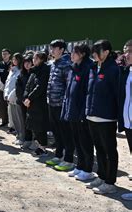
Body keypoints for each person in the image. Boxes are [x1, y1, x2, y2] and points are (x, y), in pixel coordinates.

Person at [85, 40, 120, 194]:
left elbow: (118, 95)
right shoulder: (94, 68)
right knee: (99, 149)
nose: (94, 55)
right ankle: (102, 175)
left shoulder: (114, 69)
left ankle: (110, 182)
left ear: (106, 52)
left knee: (109, 150)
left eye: (96, 51)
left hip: (107, 117)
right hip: (92, 116)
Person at [60, 43, 95, 181]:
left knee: (85, 141)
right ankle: (80, 166)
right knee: (77, 141)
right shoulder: (73, 68)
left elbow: (87, 93)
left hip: (81, 113)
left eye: (75, 52)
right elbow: (69, 92)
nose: (71, 55)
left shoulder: (88, 68)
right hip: (72, 110)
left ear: (83, 54)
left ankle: (88, 169)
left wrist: (82, 113)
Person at [45, 39, 75, 171]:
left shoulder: (66, 64)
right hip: (52, 103)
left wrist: (65, 103)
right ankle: (58, 155)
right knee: (56, 132)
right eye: (51, 48)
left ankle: (68, 160)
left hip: (61, 105)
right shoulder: (54, 63)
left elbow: (69, 86)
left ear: (61, 49)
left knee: (66, 133)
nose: (51, 51)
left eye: (54, 48)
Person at [23, 51, 50, 156]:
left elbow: (40, 87)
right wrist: (25, 97)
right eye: (33, 58)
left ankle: (43, 148)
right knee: (34, 126)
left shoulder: (44, 70)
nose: (34, 61)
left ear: (42, 59)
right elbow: (28, 85)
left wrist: (29, 98)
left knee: (40, 127)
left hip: (39, 103)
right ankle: (38, 145)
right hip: (31, 103)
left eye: (36, 59)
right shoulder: (33, 71)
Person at [118, 40, 132, 200]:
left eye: (129, 51)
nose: (125, 55)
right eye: (125, 51)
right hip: (128, 122)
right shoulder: (127, 71)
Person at [4, 53, 23, 144]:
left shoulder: (21, 71)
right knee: (13, 118)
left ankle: (21, 137)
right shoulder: (12, 70)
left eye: (16, 59)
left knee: (19, 119)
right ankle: (18, 135)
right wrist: (6, 93)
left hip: (16, 98)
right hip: (10, 98)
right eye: (13, 59)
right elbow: (8, 83)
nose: (14, 61)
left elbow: (17, 86)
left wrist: (11, 95)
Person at [16, 54, 34, 149]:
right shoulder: (21, 75)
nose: (27, 65)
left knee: (33, 122)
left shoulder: (34, 74)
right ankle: (27, 139)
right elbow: (18, 89)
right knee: (24, 121)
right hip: (23, 102)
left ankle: (34, 141)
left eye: (29, 62)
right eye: (25, 63)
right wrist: (23, 100)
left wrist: (29, 99)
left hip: (32, 102)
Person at [0, 48, 11, 128]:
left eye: (6, 54)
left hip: (10, 88)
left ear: (9, 55)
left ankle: (11, 122)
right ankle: (4, 121)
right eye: (3, 54)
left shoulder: (13, 64)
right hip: (1, 88)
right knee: (1, 105)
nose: (4, 55)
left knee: (11, 105)